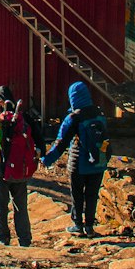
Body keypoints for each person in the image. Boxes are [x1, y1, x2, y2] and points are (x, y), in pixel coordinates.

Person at [41, 80, 109, 237]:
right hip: (99, 161)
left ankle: (78, 225)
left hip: (78, 163)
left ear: (73, 98)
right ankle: (90, 227)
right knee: (92, 195)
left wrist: (46, 160)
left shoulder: (73, 118)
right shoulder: (99, 114)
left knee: (77, 194)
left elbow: (61, 142)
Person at [0, 93, 45, 246]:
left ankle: (3, 238)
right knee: (20, 206)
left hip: (0, 171)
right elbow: (39, 140)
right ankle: (25, 239)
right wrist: (40, 156)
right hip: (20, 170)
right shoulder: (25, 120)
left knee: (1, 206)